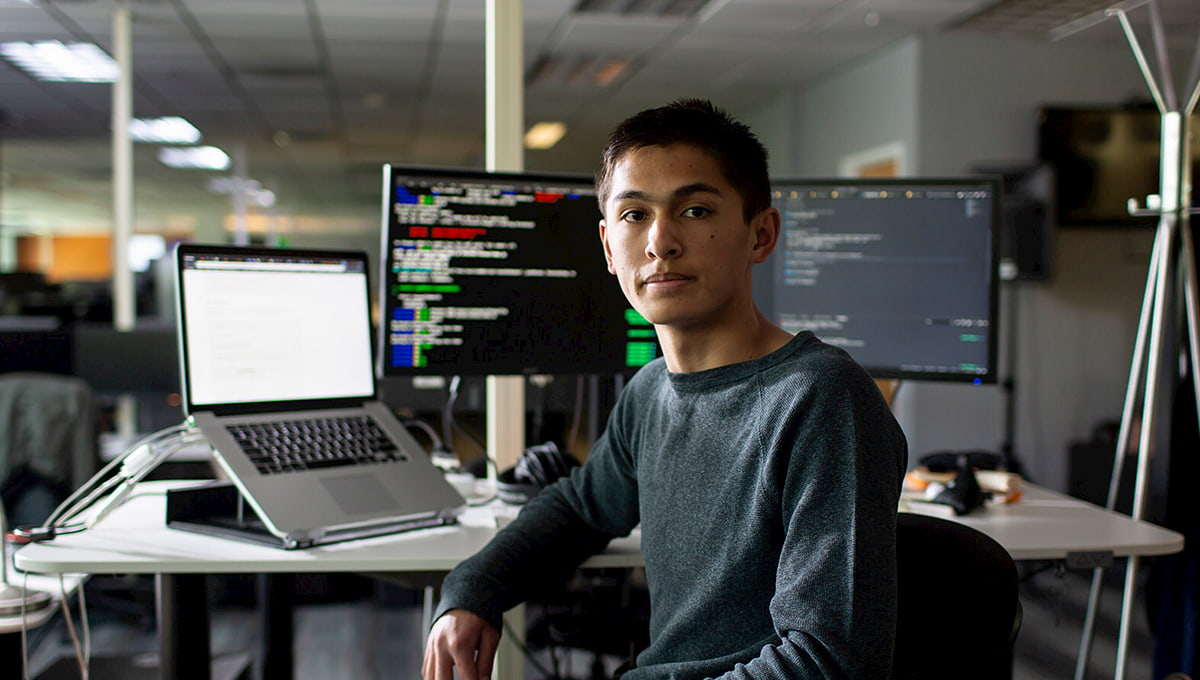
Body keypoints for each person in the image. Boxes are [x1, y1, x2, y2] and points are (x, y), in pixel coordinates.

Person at [422, 98, 907, 680]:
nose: (660, 242)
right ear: (607, 247)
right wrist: (472, 590)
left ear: (761, 234)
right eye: (633, 215)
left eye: (696, 210)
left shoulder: (823, 397)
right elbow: (579, 509)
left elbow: (829, 663)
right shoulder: (651, 391)